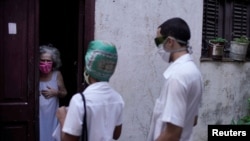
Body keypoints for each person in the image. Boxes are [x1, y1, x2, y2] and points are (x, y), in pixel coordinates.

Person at [147, 17, 203, 141]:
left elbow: (172, 134)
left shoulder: (177, 77)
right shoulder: (194, 71)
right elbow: (193, 120)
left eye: (158, 42)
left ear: (170, 42)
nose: (158, 47)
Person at [56, 40, 125, 141]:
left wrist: (62, 117)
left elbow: (68, 140)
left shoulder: (80, 100)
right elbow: (116, 135)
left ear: (87, 68)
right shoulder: (118, 98)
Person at [39, 44, 68, 141]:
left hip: (52, 115)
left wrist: (56, 92)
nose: (45, 63)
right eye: (42, 60)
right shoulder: (34, 74)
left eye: (48, 61)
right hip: (38, 114)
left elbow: (64, 93)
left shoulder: (57, 74)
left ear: (53, 62)